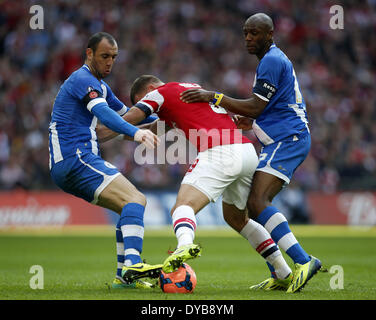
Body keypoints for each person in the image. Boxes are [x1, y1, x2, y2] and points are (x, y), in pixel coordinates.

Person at [180, 13, 322, 293]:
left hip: (288, 138)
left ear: (270, 34)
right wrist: (253, 122)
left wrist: (215, 97)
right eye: (245, 33)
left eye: (254, 33)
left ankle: (304, 261)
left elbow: (256, 105)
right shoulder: (271, 60)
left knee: (258, 201)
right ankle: (282, 273)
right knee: (250, 207)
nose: (248, 38)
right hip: (282, 137)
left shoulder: (271, 60)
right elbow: (267, 108)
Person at [111, 74, 294, 290]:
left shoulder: (161, 93)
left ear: (150, 89)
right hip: (245, 150)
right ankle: (283, 272)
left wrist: (101, 129)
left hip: (220, 151)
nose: (149, 109)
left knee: (182, 206)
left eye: (143, 100)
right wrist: (118, 134)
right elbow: (151, 130)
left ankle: (184, 245)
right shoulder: (187, 91)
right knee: (237, 219)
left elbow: (132, 117)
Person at [48, 32, 162, 290]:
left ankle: (124, 279)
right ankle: (133, 262)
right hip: (75, 157)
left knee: (128, 207)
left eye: (114, 57)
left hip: (71, 162)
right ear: (89, 54)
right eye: (104, 56)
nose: (110, 62)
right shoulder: (82, 79)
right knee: (136, 200)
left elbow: (128, 117)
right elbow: (105, 116)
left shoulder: (102, 86)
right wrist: (136, 133)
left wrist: (169, 124)